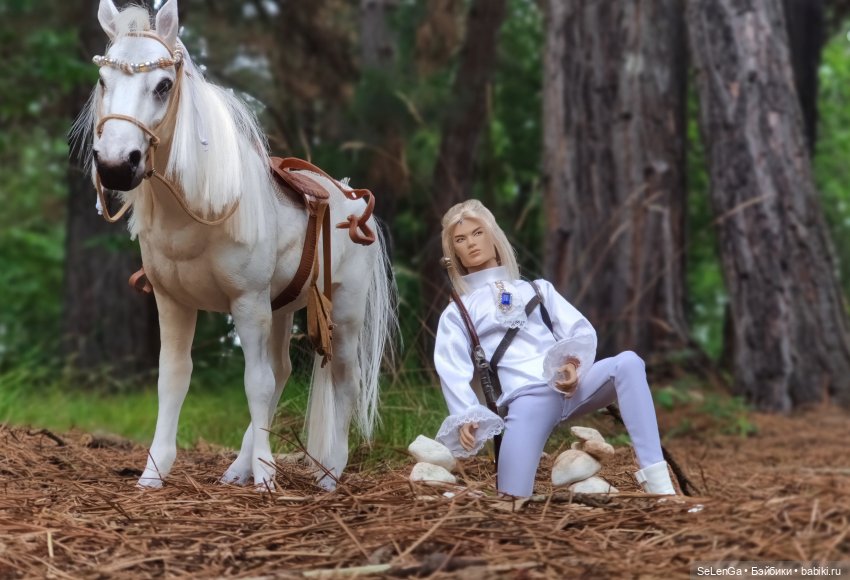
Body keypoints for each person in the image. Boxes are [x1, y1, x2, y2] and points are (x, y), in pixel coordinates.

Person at [433, 199, 676, 497]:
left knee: (628, 363)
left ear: (493, 236)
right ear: (453, 252)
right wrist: (467, 414)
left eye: (478, 232)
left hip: (569, 386)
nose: (471, 243)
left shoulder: (537, 289)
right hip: (526, 402)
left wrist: (572, 363)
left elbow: (578, 329)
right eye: (460, 239)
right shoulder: (459, 311)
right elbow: (452, 367)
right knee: (512, 499)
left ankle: (660, 487)